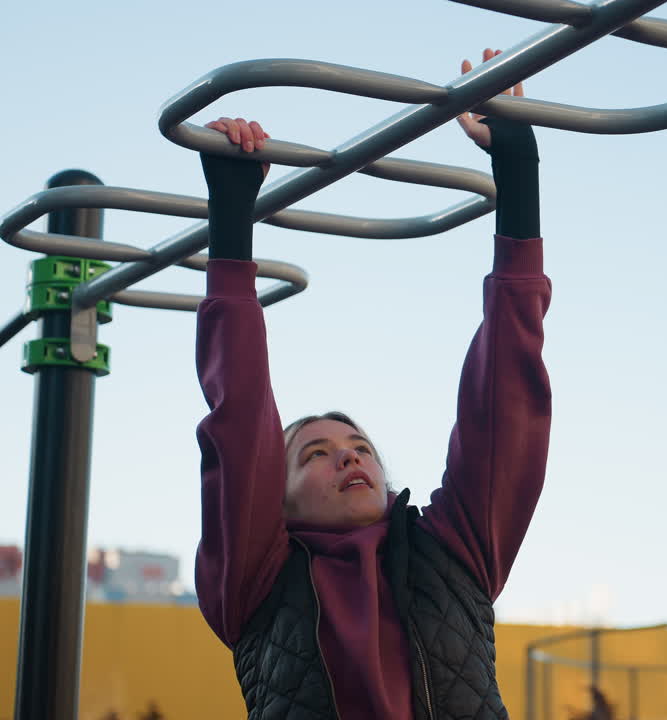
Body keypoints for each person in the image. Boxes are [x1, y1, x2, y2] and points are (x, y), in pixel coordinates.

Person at [193, 48, 551, 719]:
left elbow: (508, 395)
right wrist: (231, 218)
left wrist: (517, 162)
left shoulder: (455, 553)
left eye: (357, 446)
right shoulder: (253, 583)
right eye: (316, 454)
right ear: (279, 497)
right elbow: (238, 421)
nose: (348, 456)